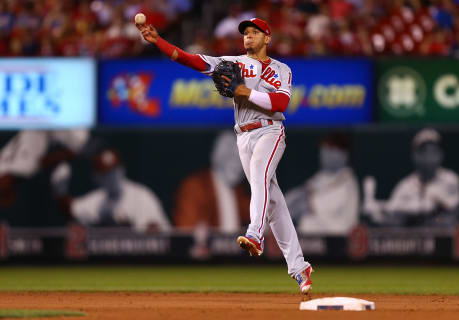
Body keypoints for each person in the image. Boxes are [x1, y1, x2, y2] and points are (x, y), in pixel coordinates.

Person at [137, 17, 312, 297]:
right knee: (273, 200)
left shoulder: (282, 69)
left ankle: (255, 234)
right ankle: (300, 268)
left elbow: (281, 103)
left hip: (270, 130)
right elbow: (190, 59)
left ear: (268, 38)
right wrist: (158, 41)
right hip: (242, 135)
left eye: (255, 32)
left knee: (259, 176)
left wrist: (243, 90)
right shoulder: (232, 62)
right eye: (245, 33)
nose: (248, 36)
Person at [51, 148, 171, 233]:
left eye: (115, 172)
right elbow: (71, 210)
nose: (112, 178)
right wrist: (60, 191)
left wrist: (128, 231)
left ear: (122, 171)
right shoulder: (98, 200)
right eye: (106, 174)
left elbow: (155, 234)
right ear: (97, 178)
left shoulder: (141, 196)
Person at [363, 128, 459, 227]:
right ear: (414, 156)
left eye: (433, 151)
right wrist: (375, 215)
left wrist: (382, 206)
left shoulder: (450, 180)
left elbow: (431, 207)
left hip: (446, 239)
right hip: (416, 240)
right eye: (423, 152)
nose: (429, 156)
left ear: (441, 154)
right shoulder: (405, 185)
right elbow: (395, 219)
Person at [174, 131, 251, 259]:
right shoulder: (195, 187)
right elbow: (186, 233)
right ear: (215, 156)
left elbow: (260, 219)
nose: (237, 161)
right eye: (230, 153)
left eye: (241, 156)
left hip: (237, 262)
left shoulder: (238, 191)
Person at [286, 133, 359, 235]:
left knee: (306, 222)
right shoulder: (323, 176)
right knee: (305, 223)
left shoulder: (347, 180)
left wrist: (304, 203)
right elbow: (302, 191)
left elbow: (317, 204)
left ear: (344, 154)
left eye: (332, 150)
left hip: (342, 237)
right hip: (322, 234)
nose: (326, 154)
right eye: (325, 149)